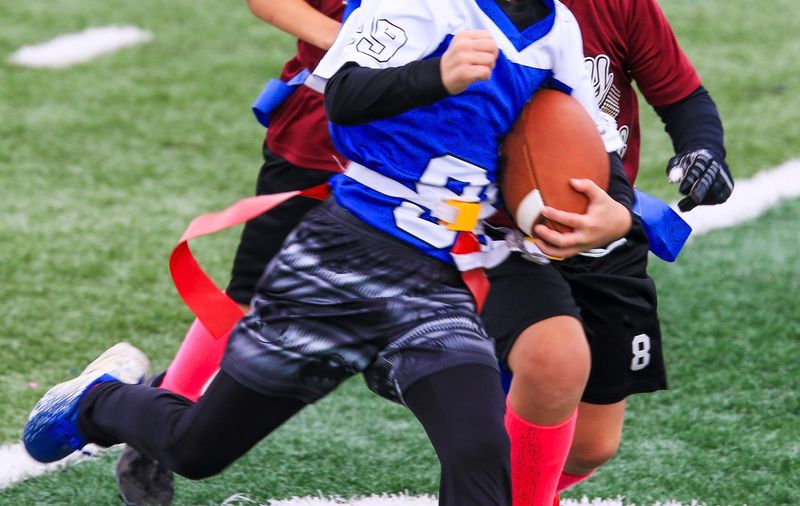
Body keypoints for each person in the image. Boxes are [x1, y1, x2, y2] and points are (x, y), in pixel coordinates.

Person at [21, 1, 633, 505]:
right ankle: (99, 400)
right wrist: (436, 76)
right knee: (198, 449)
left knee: (479, 455)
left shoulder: (559, 30)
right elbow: (342, 97)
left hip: (442, 277)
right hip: (343, 259)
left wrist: (616, 207)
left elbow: (595, 148)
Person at [480, 0, 734, 501]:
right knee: (543, 369)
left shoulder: (618, 5)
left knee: (593, 444)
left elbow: (683, 97)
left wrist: (703, 151)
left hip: (604, 224)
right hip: (492, 233)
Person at [111, 2, 347, 504]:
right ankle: (163, 404)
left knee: (496, 321)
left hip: (462, 155)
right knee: (253, 295)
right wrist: (354, 42)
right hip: (325, 134)